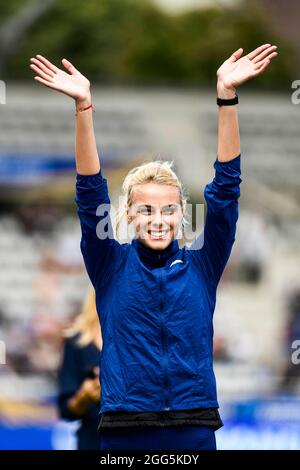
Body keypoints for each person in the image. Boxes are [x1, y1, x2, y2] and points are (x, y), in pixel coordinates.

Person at [30, 43, 277, 450]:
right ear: (128, 214)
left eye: (167, 210)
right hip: (124, 432)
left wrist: (226, 97)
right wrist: (83, 107)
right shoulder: (109, 264)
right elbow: (89, 192)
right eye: (146, 209)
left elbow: (226, 190)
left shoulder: (203, 264)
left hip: (194, 428)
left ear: (181, 212)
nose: (158, 219)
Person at [57, 285, 102, 450]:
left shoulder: (137, 338)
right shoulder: (76, 342)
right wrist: (84, 396)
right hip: (92, 440)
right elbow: (66, 410)